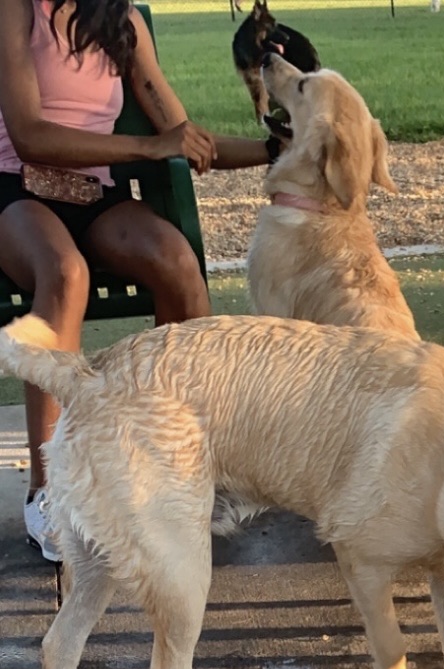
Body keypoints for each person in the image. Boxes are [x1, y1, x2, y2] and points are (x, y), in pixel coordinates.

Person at [0, 0, 276, 561]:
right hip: (16, 192)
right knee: (66, 272)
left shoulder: (118, 22)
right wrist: (148, 146)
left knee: (175, 260)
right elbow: (28, 134)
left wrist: (281, 151)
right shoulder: (15, 9)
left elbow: (187, 136)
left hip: (91, 198)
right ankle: (49, 489)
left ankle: (183, 463)